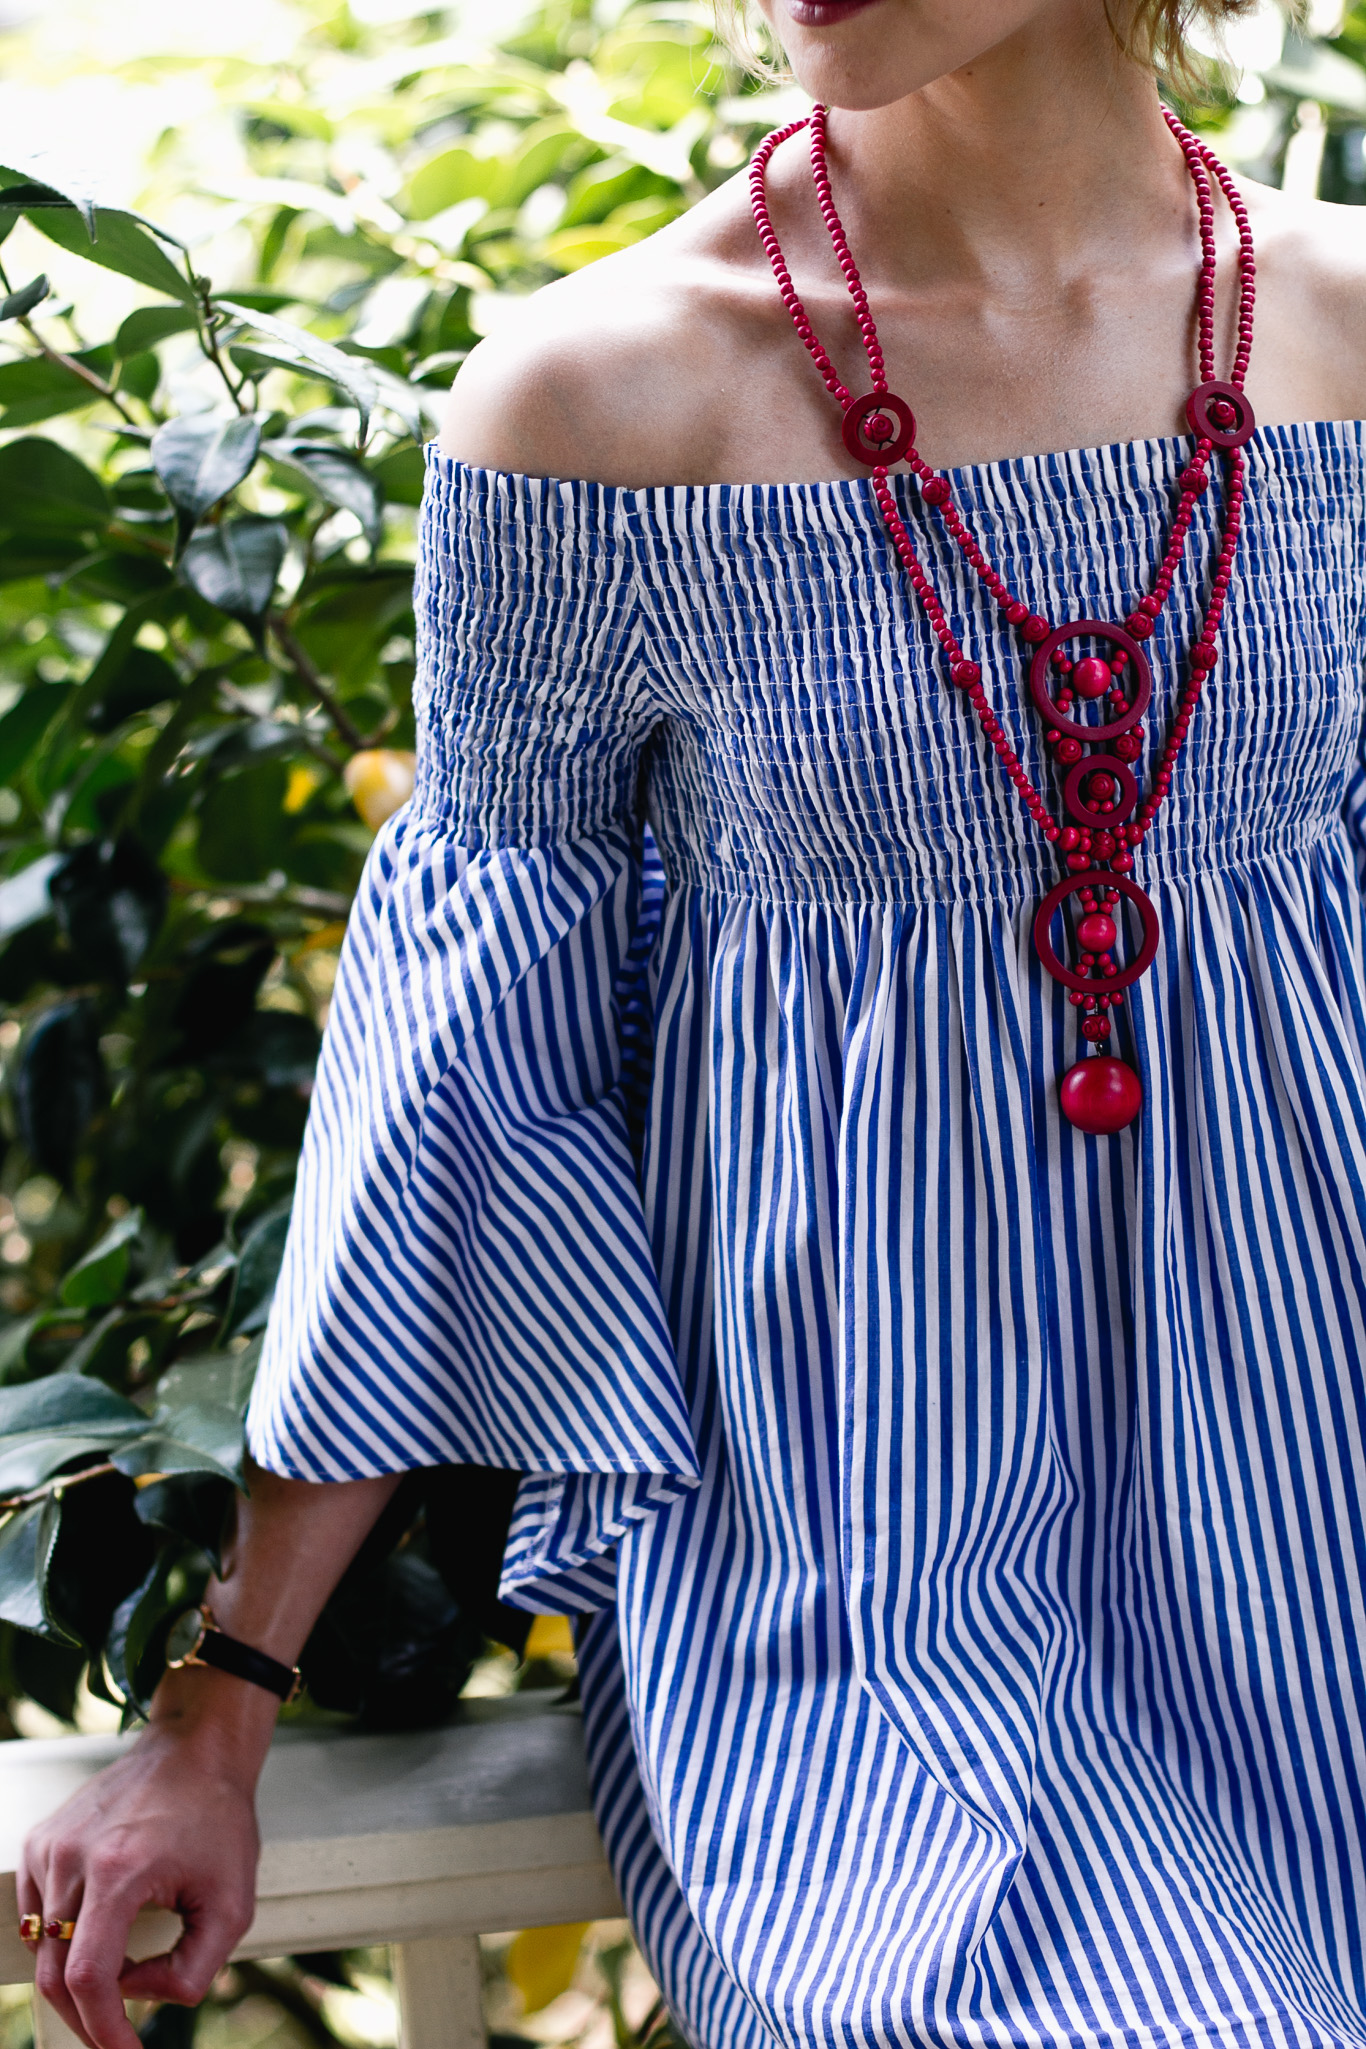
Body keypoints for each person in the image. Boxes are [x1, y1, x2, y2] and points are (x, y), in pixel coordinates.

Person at [21, 1, 1366, 2045]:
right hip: (880, 1611)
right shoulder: (600, 403)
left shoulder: (1336, 329)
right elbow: (457, 1074)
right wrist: (226, 1695)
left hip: (1310, 1520)